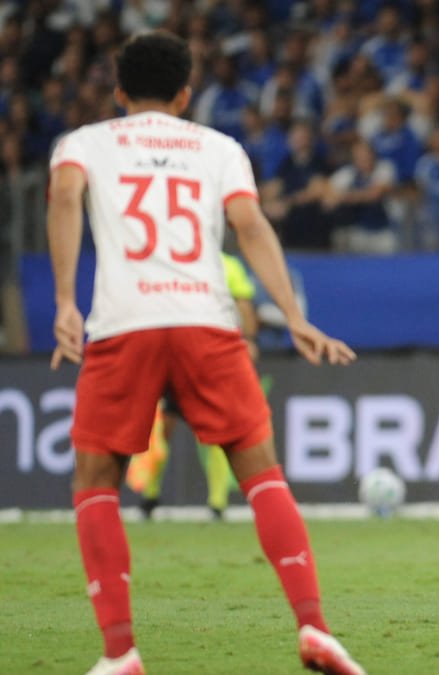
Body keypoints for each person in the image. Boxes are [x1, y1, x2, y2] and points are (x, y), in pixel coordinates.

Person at [47, 32, 364, 675]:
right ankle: (314, 627)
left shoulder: (82, 143)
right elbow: (251, 226)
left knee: (95, 483)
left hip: (125, 324)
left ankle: (120, 652)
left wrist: (63, 302)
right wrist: (294, 317)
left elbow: (63, 197)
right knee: (263, 475)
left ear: (118, 92)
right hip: (206, 324)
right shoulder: (219, 148)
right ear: (186, 95)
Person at [127, 253, 261, 520]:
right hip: (192, 357)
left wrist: (249, 338)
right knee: (175, 428)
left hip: (191, 357)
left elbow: (243, 306)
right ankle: (157, 496)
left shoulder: (190, 261)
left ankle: (212, 502)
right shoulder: (216, 263)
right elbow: (244, 307)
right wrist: (249, 339)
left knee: (186, 428)